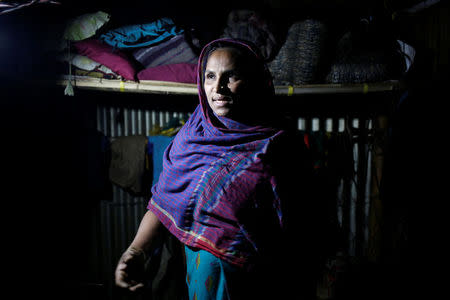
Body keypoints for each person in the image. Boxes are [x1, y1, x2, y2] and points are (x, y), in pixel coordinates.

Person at [115, 38, 322, 300]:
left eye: (231, 76)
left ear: (254, 81)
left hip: (256, 283)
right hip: (200, 278)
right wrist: (135, 251)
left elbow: (304, 226)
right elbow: (164, 203)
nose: (218, 88)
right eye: (210, 76)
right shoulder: (192, 135)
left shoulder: (280, 145)